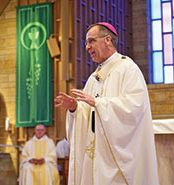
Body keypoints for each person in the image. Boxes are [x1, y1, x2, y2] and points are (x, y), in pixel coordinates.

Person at [54, 22, 159, 185]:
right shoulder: (93, 78)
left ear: (107, 40)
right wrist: (75, 108)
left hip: (115, 161)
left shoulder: (128, 69)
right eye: (86, 43)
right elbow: (87, 115)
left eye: (91, 41)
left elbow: (135, 108)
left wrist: (99, 103)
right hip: (95, 158)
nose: (87, 47)